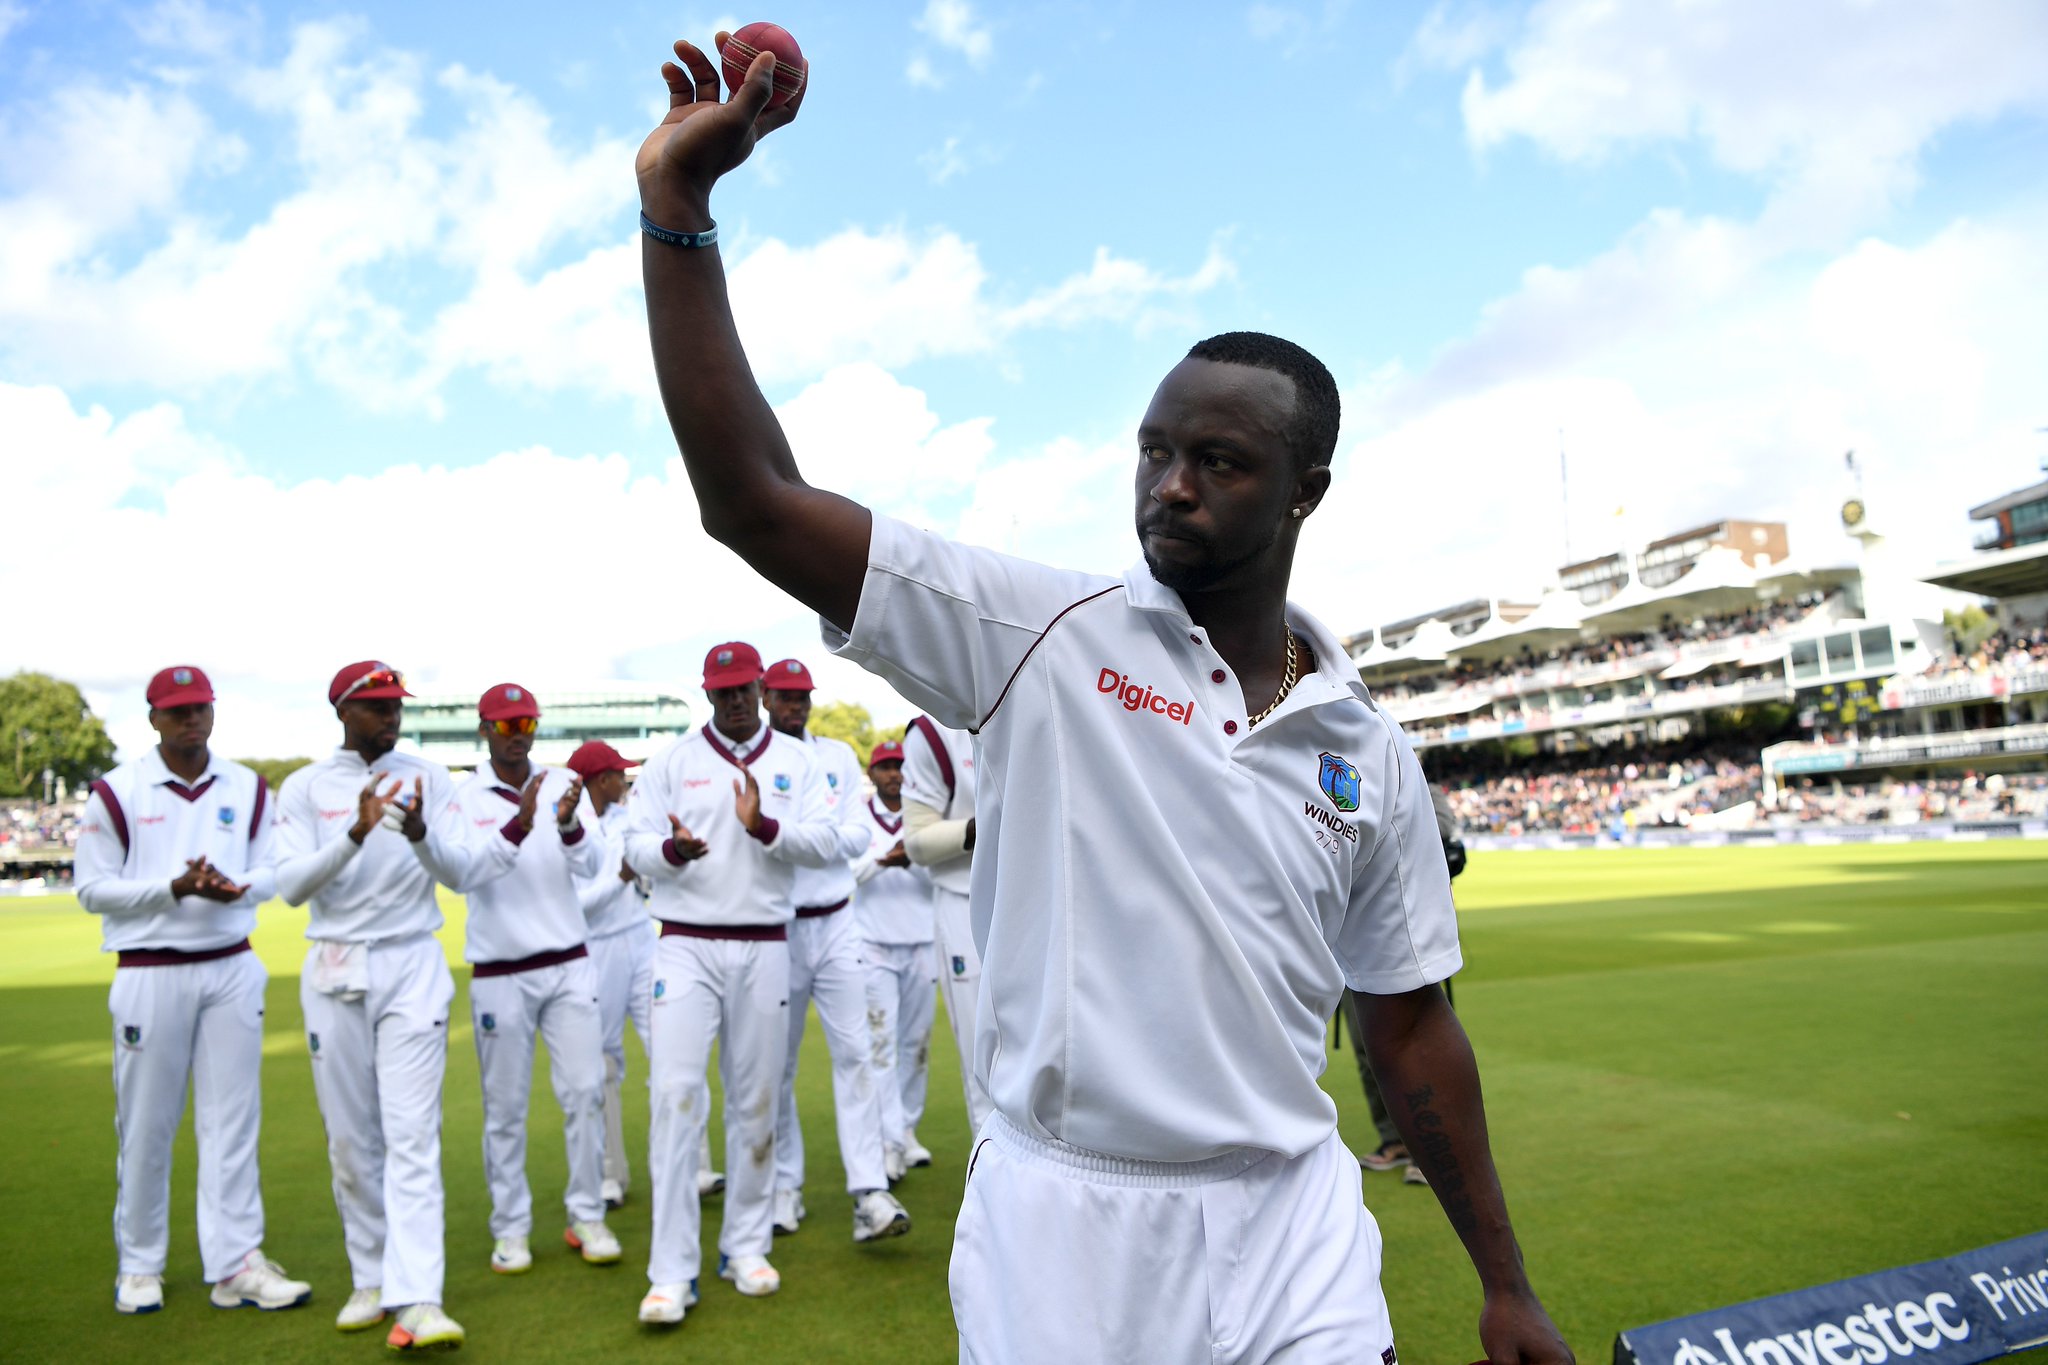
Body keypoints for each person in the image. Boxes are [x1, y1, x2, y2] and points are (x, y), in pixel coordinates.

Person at [631, 44, 1574, 1365]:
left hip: (1293, 1228)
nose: (1169, 484)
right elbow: (754, 501)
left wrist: (1504, 1283)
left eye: (1218, 461)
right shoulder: (1035, 633)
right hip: (1062, 1224)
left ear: (1304, 491)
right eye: (1154, 450)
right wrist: (678, 210)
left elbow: (1410, 1024)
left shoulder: (1367, 749)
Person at [623, 642, 849, 1324]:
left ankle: (747, 1244)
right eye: (723, 692)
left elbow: (829, 842)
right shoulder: (672, 761)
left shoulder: (797, 762)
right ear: (708, 694)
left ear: (760, 689)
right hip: (684, 942)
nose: (736, 702)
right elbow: (633, 846)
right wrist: (672, 850)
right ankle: (670, 1271)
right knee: (674, 1098)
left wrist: (765, 826)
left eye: (744, 690)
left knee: (756, 1098)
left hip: (765, 940)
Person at [75, 665, 310, 1318]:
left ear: (213, 711)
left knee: (232, 1122)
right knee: (146, 1125)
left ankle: (236, 1264)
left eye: (200, 708)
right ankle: (139, 1264)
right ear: (153, 718)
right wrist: (173, 889)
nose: (191, 720)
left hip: (231, 964)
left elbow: (273, 869)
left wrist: (236, 887)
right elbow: (92, 888)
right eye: (177, 710)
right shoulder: (117, 790)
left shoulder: (247, 786)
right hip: (149, 970)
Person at [271, 662, 466, 1350]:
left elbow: (462, 873)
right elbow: (291, 887)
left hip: (412, 961)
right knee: (351, 1140)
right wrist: (353, 833)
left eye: (396, 705)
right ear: (343, 711)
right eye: (377, 706)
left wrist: (421, 836)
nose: (391, 716)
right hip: (335, 962)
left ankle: (421, 1298)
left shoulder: (430, 777)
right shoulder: (305, 787)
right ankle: (371, 1277)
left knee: (412, 1135)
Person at [425, 685, 619, 1275]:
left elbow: (594, 864)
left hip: (568, 962)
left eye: (527, 724)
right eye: (508, 726)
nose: (519, 736)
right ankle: (510, 1227)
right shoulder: (462, 797)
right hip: (501, 970)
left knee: (584, 1092)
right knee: (506, 1109)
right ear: (485, 730)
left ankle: (587, 1214)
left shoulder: (564, 784)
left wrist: (568, 825)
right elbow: (462, 875)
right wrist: (518, 825)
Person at [762, 658, 910, 1240]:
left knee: (856, 1053)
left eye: (802, 697)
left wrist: (784, 838)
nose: (794, 706)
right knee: (777, 1063)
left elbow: (854, 838)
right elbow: (821, 840)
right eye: (784, 696)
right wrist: (813, 839)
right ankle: (783, 1185)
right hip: (776, 927)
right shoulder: (753, 760)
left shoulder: (838, 758)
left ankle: (869, 1191)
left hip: (836, 920)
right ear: (765, 698)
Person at [1353, 785, 1466, 1184]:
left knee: (1418, 1046)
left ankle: (1431, 1152)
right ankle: (1394, 1140)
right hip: (1349, 939)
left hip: (1408, 933)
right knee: (1367, 1049)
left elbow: (1439, 830)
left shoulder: (1416, 781)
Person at [899, 714, 991, 1139]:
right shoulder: (933, 732)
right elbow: (917, 842)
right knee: (983, 1063)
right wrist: (985, 826)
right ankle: (990, 1176)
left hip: (1040, 896)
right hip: (964, 899)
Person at [850, 740, 938, 1179]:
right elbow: (848, 874)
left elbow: (939, 875)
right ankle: (887, 1140)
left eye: (899, 767)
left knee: (916, 1045)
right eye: (885, 767)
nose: (893, 775)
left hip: (922, 941)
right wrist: (887, 860)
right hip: (874, 945)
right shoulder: (859, 818)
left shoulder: (922, 817)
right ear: (873, 773)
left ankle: (906, 1129)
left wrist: (912, 860)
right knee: (881, 1044)